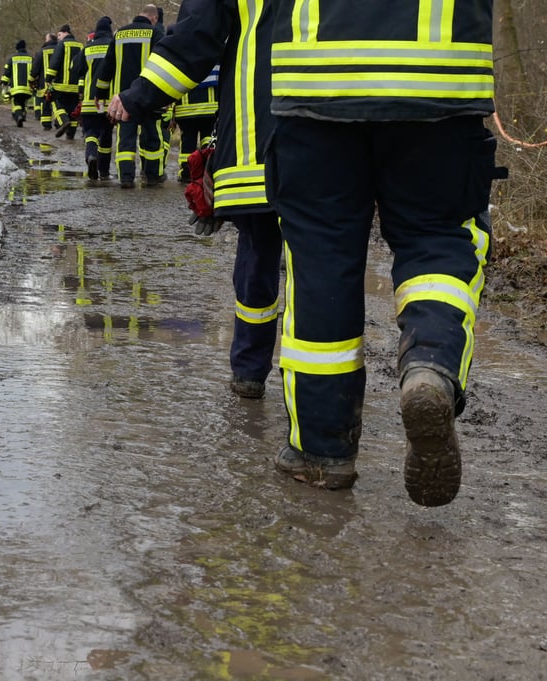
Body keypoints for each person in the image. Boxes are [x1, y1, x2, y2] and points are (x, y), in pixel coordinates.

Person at [263, 0, 502, 504]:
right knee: (437, 237)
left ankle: (321, 452)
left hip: (314, 87)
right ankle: (429, 365)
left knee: (320, 260)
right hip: (441, 85)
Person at [107, 1, 282, 408]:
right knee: (321, 267)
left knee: (257, 256)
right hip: (333, 144)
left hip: (255, 139)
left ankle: (249, 372)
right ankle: (319, 400)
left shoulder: (121, 37)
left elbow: (194, 41)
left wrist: (138, 96)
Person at [96, 5, 166, 188]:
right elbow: (165, 64)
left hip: (124, 98)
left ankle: (126, 177)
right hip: (149, 95)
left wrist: (101, 93)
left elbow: (107, 65)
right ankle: (153, 175)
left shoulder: (119, 34)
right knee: (152, 136)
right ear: (154, 18)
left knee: (125, 138)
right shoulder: (155, 34)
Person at [79, 16, 115, 179]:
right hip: (109, 102)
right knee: (106, 135)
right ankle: (104, 170)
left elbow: (75, 71)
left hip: (89, 101)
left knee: (91, 132)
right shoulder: (114, 47)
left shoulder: (87, 49)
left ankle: (91, 155)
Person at [174, 64, 219, 183]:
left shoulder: (181, 51)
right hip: (210, 108)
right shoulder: (215, 48)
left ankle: (186, 173)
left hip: (186, 109)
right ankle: (208, 171)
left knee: (188, 144)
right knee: (208, 141)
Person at [45, 24, 84, 139]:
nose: (58, 37)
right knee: (73, 108)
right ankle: (71, 133)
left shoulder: (61, 45)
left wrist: (48, 79)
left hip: (61, 85)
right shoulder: (81, 46)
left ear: (65, 32)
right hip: (76, 86)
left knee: (56, 104)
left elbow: (55, 62)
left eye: (59, 35)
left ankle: (63, 121)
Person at [30, 33, 59, 130]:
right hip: (59, 83)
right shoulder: (60, 49)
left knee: (46, 104)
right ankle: (58, 122)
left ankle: (46, 124)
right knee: (58, 104)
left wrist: (31, 80)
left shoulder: (41, 52)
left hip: (45, 84)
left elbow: (35, 69)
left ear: (49, 39)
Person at [1, 40, 34, 127]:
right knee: (24, 102)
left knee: (16, 103)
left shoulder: (12, 58)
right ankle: (23, 114)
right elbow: (35, 72)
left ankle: (19, 116)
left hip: (16, 87)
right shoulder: (31, 58)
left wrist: (4, 82)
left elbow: (7, 72)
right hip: (27, 87)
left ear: (17, 48)